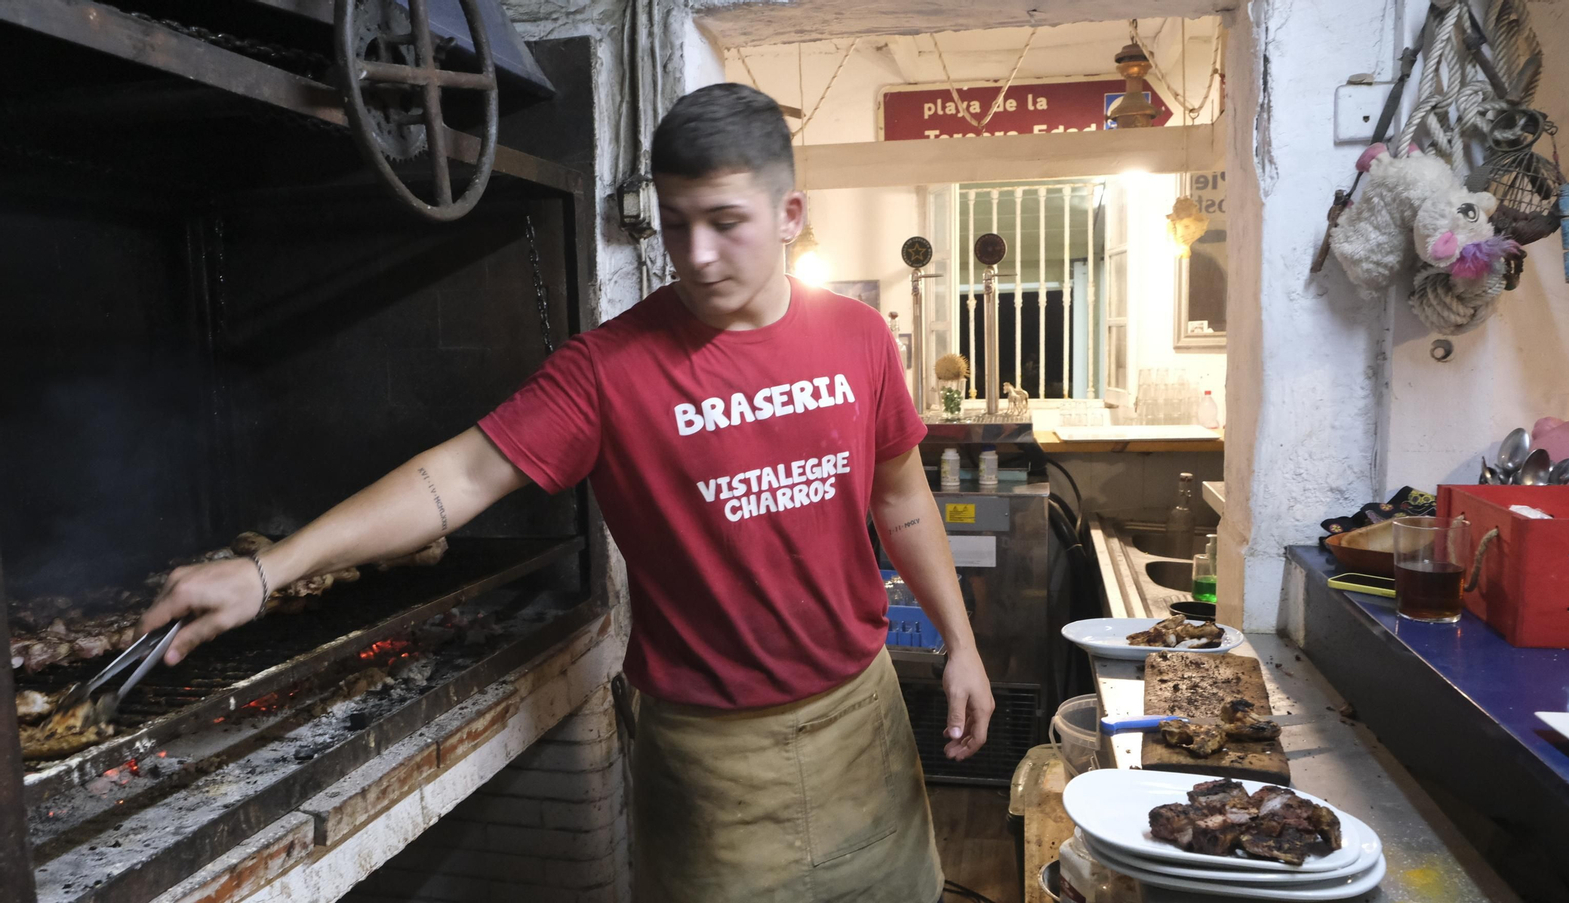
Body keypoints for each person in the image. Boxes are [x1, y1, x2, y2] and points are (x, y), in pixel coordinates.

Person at [139, 83, 993, 903]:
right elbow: (460, 475)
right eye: (676, 224)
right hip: (710, 752)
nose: (695, 256)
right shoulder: (608, 368)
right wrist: (267, 572)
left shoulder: (857, 338)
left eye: (726, 224)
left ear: (789, 216)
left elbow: (902, 500)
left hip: (860, 716)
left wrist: (961, 641)